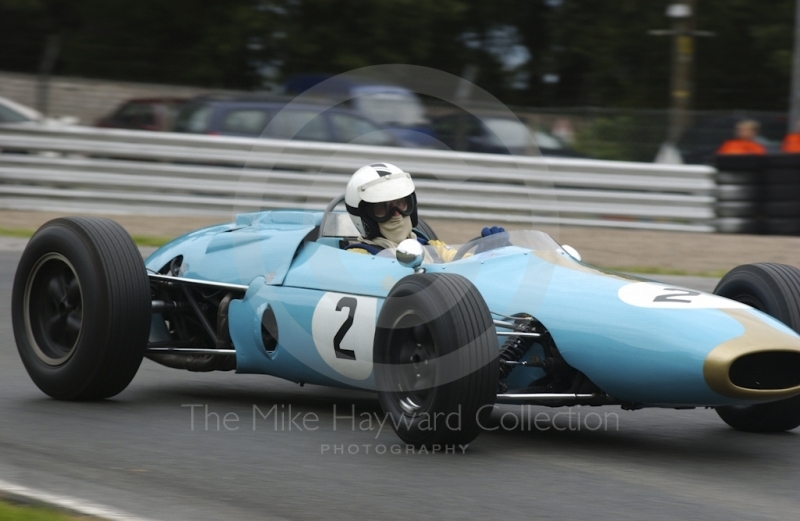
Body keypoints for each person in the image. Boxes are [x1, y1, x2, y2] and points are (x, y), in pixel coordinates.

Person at [343, 162, 504, 262]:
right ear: (365, 218)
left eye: (401, 204)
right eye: (382, 208)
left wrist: (487, 256)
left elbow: (460, 262)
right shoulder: (359, 256)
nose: (396, 214)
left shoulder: (429, 245)